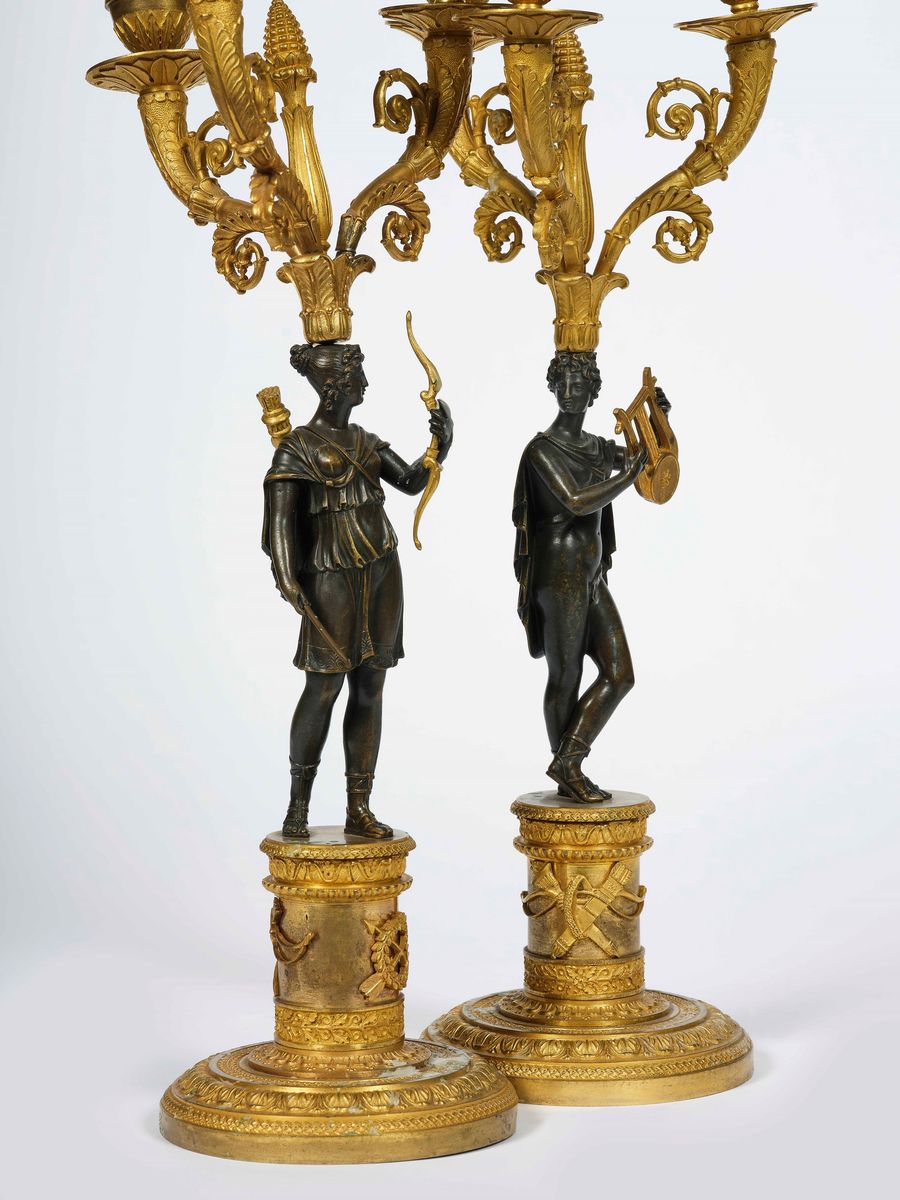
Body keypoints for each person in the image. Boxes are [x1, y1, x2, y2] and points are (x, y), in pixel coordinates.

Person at [263, 341, 453, 839]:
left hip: (382, 568)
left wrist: (441, 443)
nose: (364, 383)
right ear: (333, 387)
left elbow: (409, 481)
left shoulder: (365, 441)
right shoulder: (296, 448)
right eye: (356, 376)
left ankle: (359, 806)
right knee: (323, 686)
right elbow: (280, 520)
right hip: (330, 574)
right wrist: (286, 576)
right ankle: (298, 805)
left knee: (370, 686)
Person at [513, 350, 668, 803]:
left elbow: (648, 461)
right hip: (557, 571)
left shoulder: (597, 448)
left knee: (620, 674)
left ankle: (568, 759)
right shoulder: (542, 450)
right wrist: (629, 474)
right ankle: (567, 770)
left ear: (593, 392)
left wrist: (658, 421)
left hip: (591, 573)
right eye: (561, 384)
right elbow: (577, 501)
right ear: (551, 388)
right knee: (566, 674)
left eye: (578, 385)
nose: (569, 392)